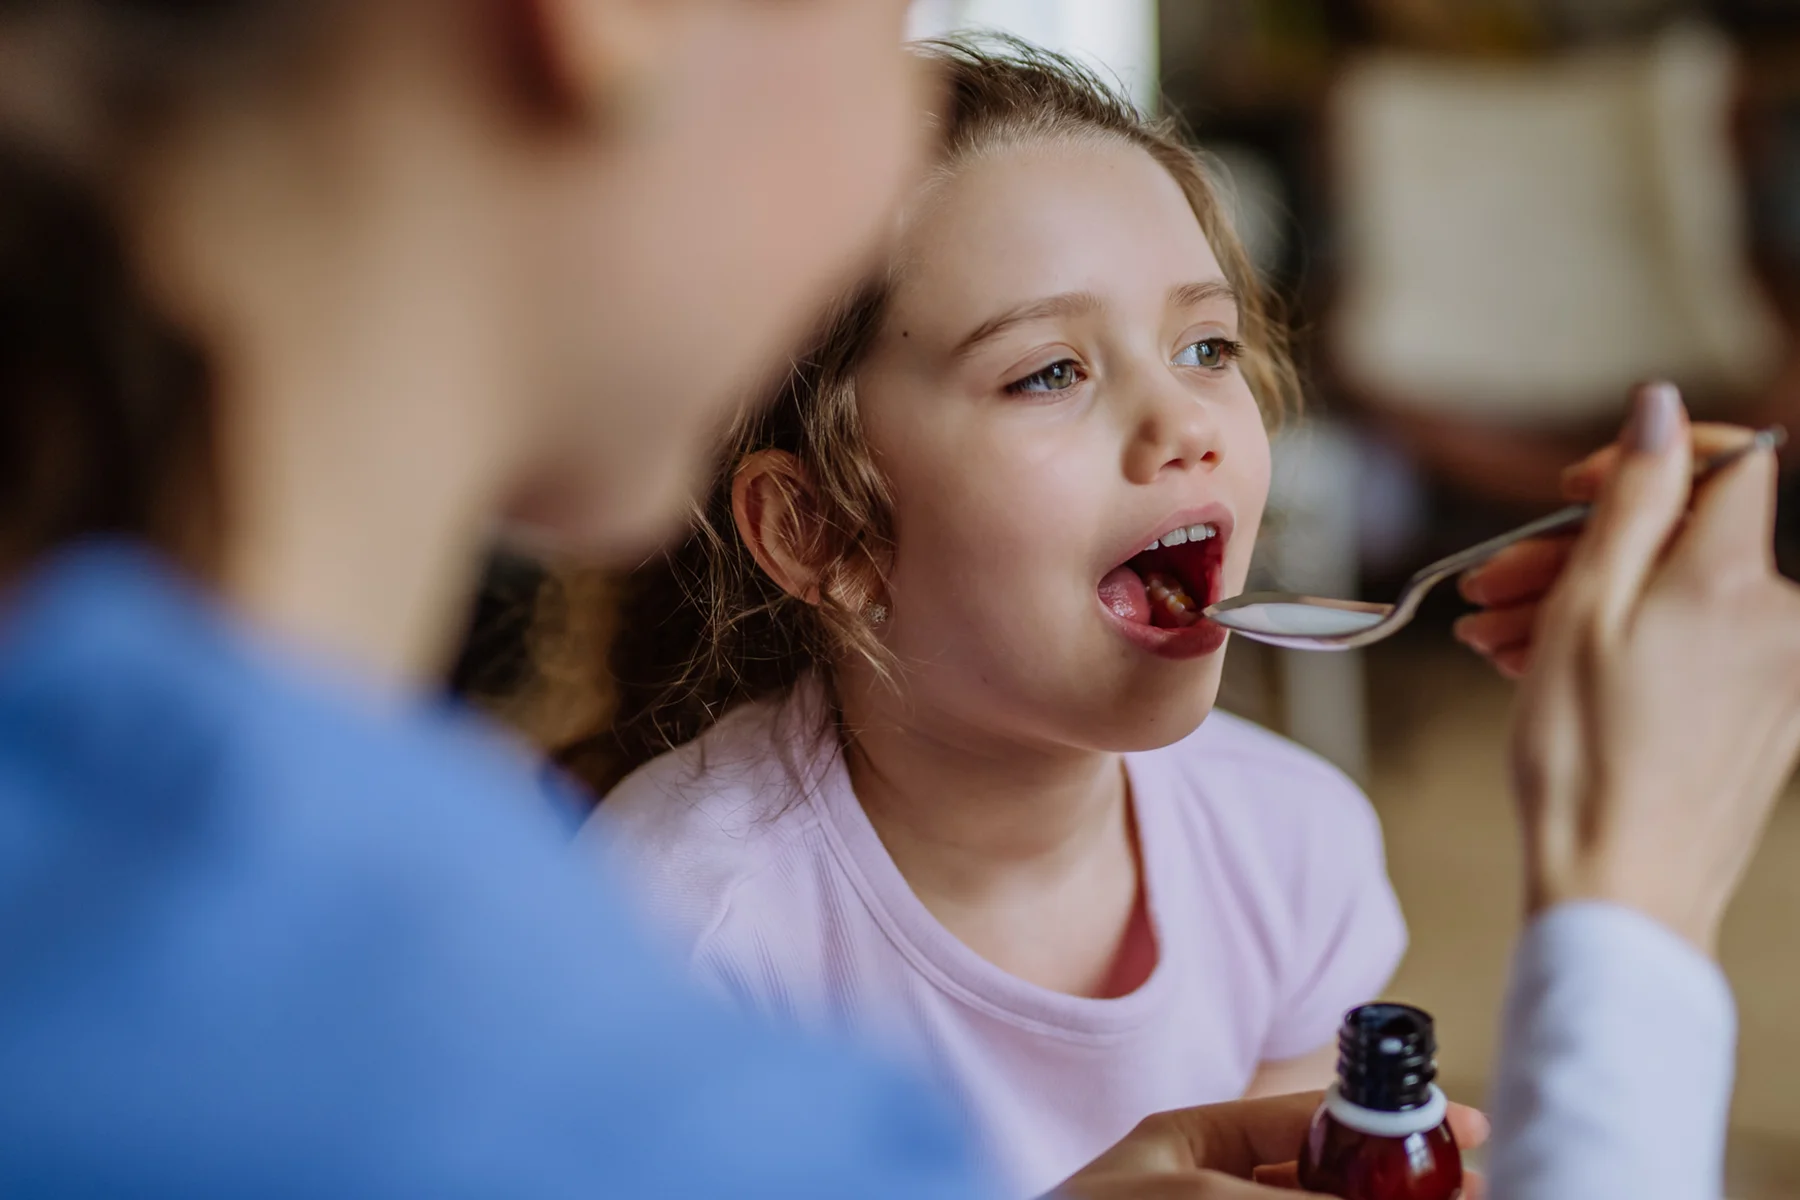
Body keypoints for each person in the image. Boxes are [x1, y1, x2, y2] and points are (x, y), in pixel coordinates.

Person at [579, 40, 1403, 1198]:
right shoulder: (679, 935)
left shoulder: (1296, 851)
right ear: (826, 530)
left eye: (1206, 346)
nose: (1186, 420)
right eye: (1050, 372)